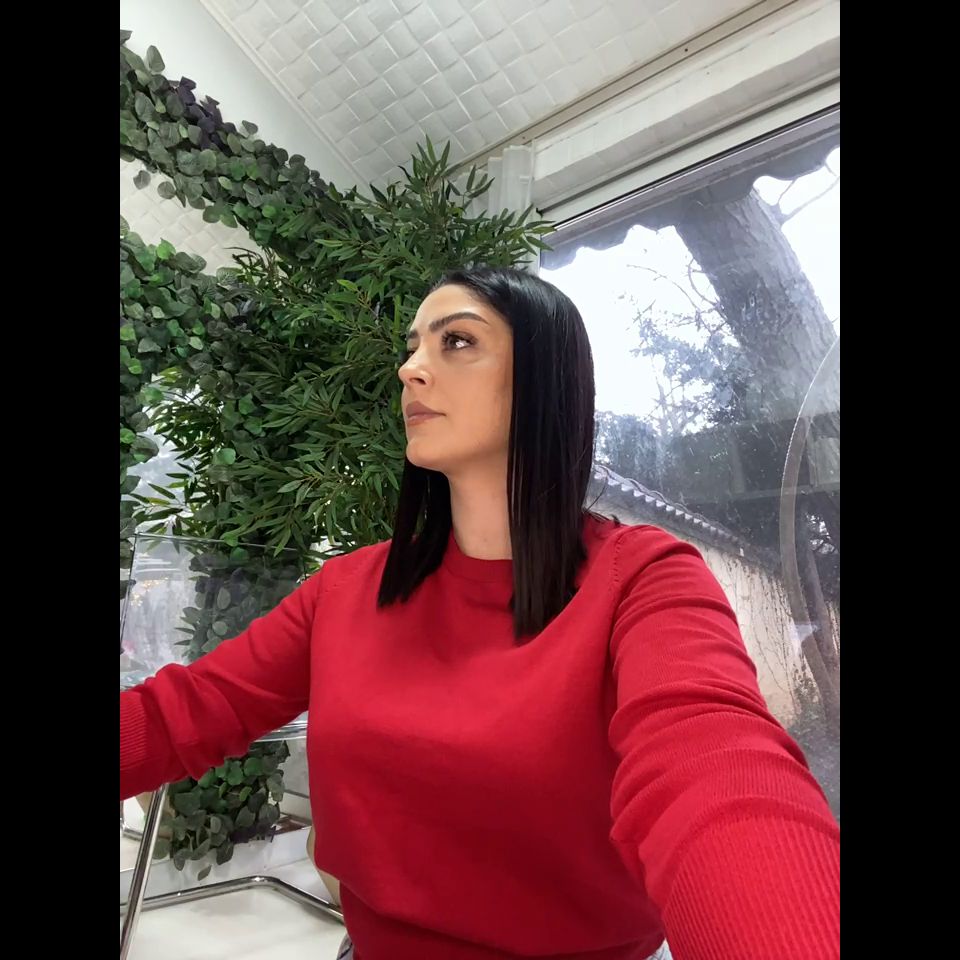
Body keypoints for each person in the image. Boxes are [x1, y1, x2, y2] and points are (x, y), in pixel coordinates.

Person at [120, 267, 840, 960]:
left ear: (544, 379)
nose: (410, 369)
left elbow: (716, 770)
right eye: (414, 347)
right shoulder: (347, 588)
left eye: (456, 341)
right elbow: (185, 712)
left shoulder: (644, 580)